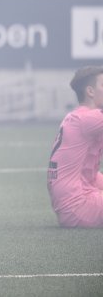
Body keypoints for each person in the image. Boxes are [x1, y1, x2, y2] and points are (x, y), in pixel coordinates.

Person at [47, 66, 103, 228]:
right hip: (78, 206)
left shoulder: (79, 116)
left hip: (72, 196)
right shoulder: (90, 118)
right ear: (90, 91)